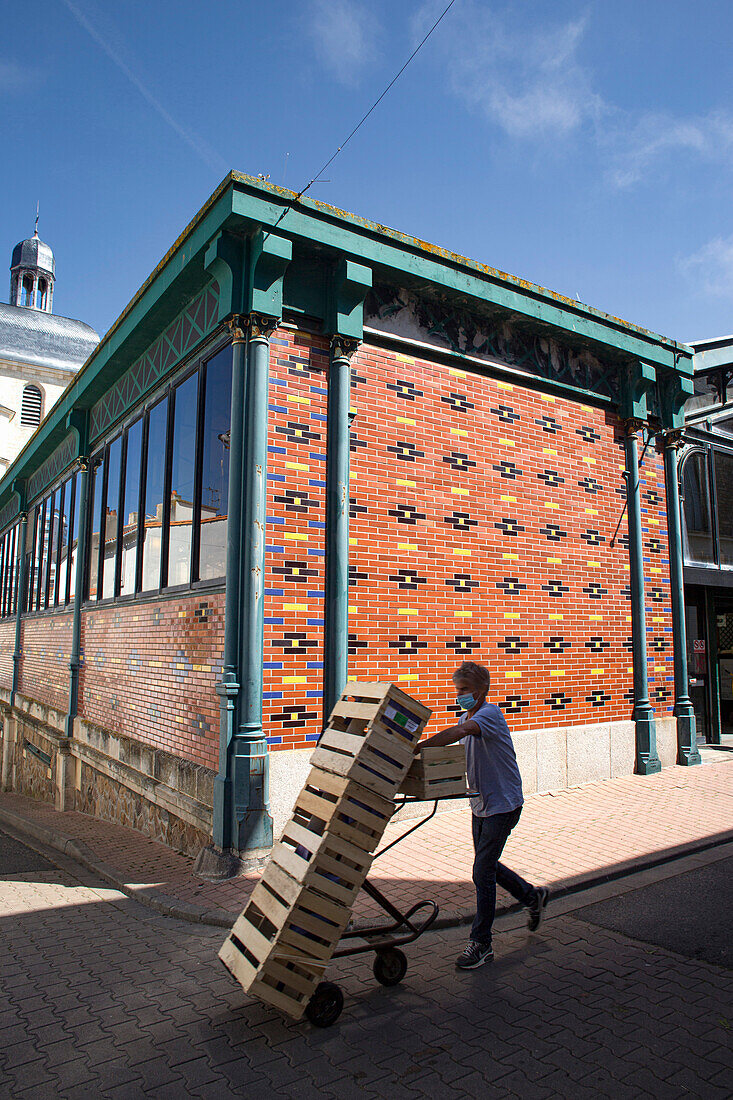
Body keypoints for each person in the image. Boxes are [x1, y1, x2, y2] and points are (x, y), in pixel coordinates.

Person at [420, 661, 549, 969]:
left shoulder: (488, 715)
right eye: (457, 690)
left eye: (463, 690)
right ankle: (532, 897)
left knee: (482, 871)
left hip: (503, 805)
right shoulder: (468, 716)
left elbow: (460, 732)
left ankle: (481, 944)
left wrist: (418, 746)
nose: (459, 695)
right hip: (481, 805)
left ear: (479, 692)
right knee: (486, 866)